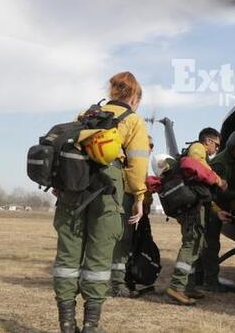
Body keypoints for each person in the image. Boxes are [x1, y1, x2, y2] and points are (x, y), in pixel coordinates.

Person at [53, 72, 150, 333]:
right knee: (99, 257)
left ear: (112, 90)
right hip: (108, 190)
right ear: (134, 97)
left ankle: (65, 323)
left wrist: (59, 185)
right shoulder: (134, 121)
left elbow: (64, 149)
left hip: (74, 188)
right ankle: (90, 326)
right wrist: (138, 197)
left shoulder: (86, 114)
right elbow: (137, 166)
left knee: (67, 254)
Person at [164, 128, 228, 305]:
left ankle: (187, 286)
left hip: (196, 206)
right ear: (208, 141)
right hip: (192, 209)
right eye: (216, 145)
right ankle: (176, 287)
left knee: (196, 244)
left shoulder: (202, 156)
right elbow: (199, 168)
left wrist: (217, 211)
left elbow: (203, 194)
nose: (216, 149)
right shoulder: (198, 148)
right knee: (191, 243)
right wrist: (218, 180)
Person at [195, 130, 235, 291]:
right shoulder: (220, 163)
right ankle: (210, 282)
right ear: (233, 147)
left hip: (220, 207)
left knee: (207, 244)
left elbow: (233, 185)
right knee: (211, 245)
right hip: (211, 207)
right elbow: (215, 190)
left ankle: (199, 278)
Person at [110, 135, 154, 297]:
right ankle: (118, 284)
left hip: (132, 204)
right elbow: (136, 185)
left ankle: (122, 280)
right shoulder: (131, 165)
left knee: (127, 244)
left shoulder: (138, 165)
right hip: (126, 202)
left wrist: (146, 200)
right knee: (122, 242)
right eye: (148, 144)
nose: (151, 148)